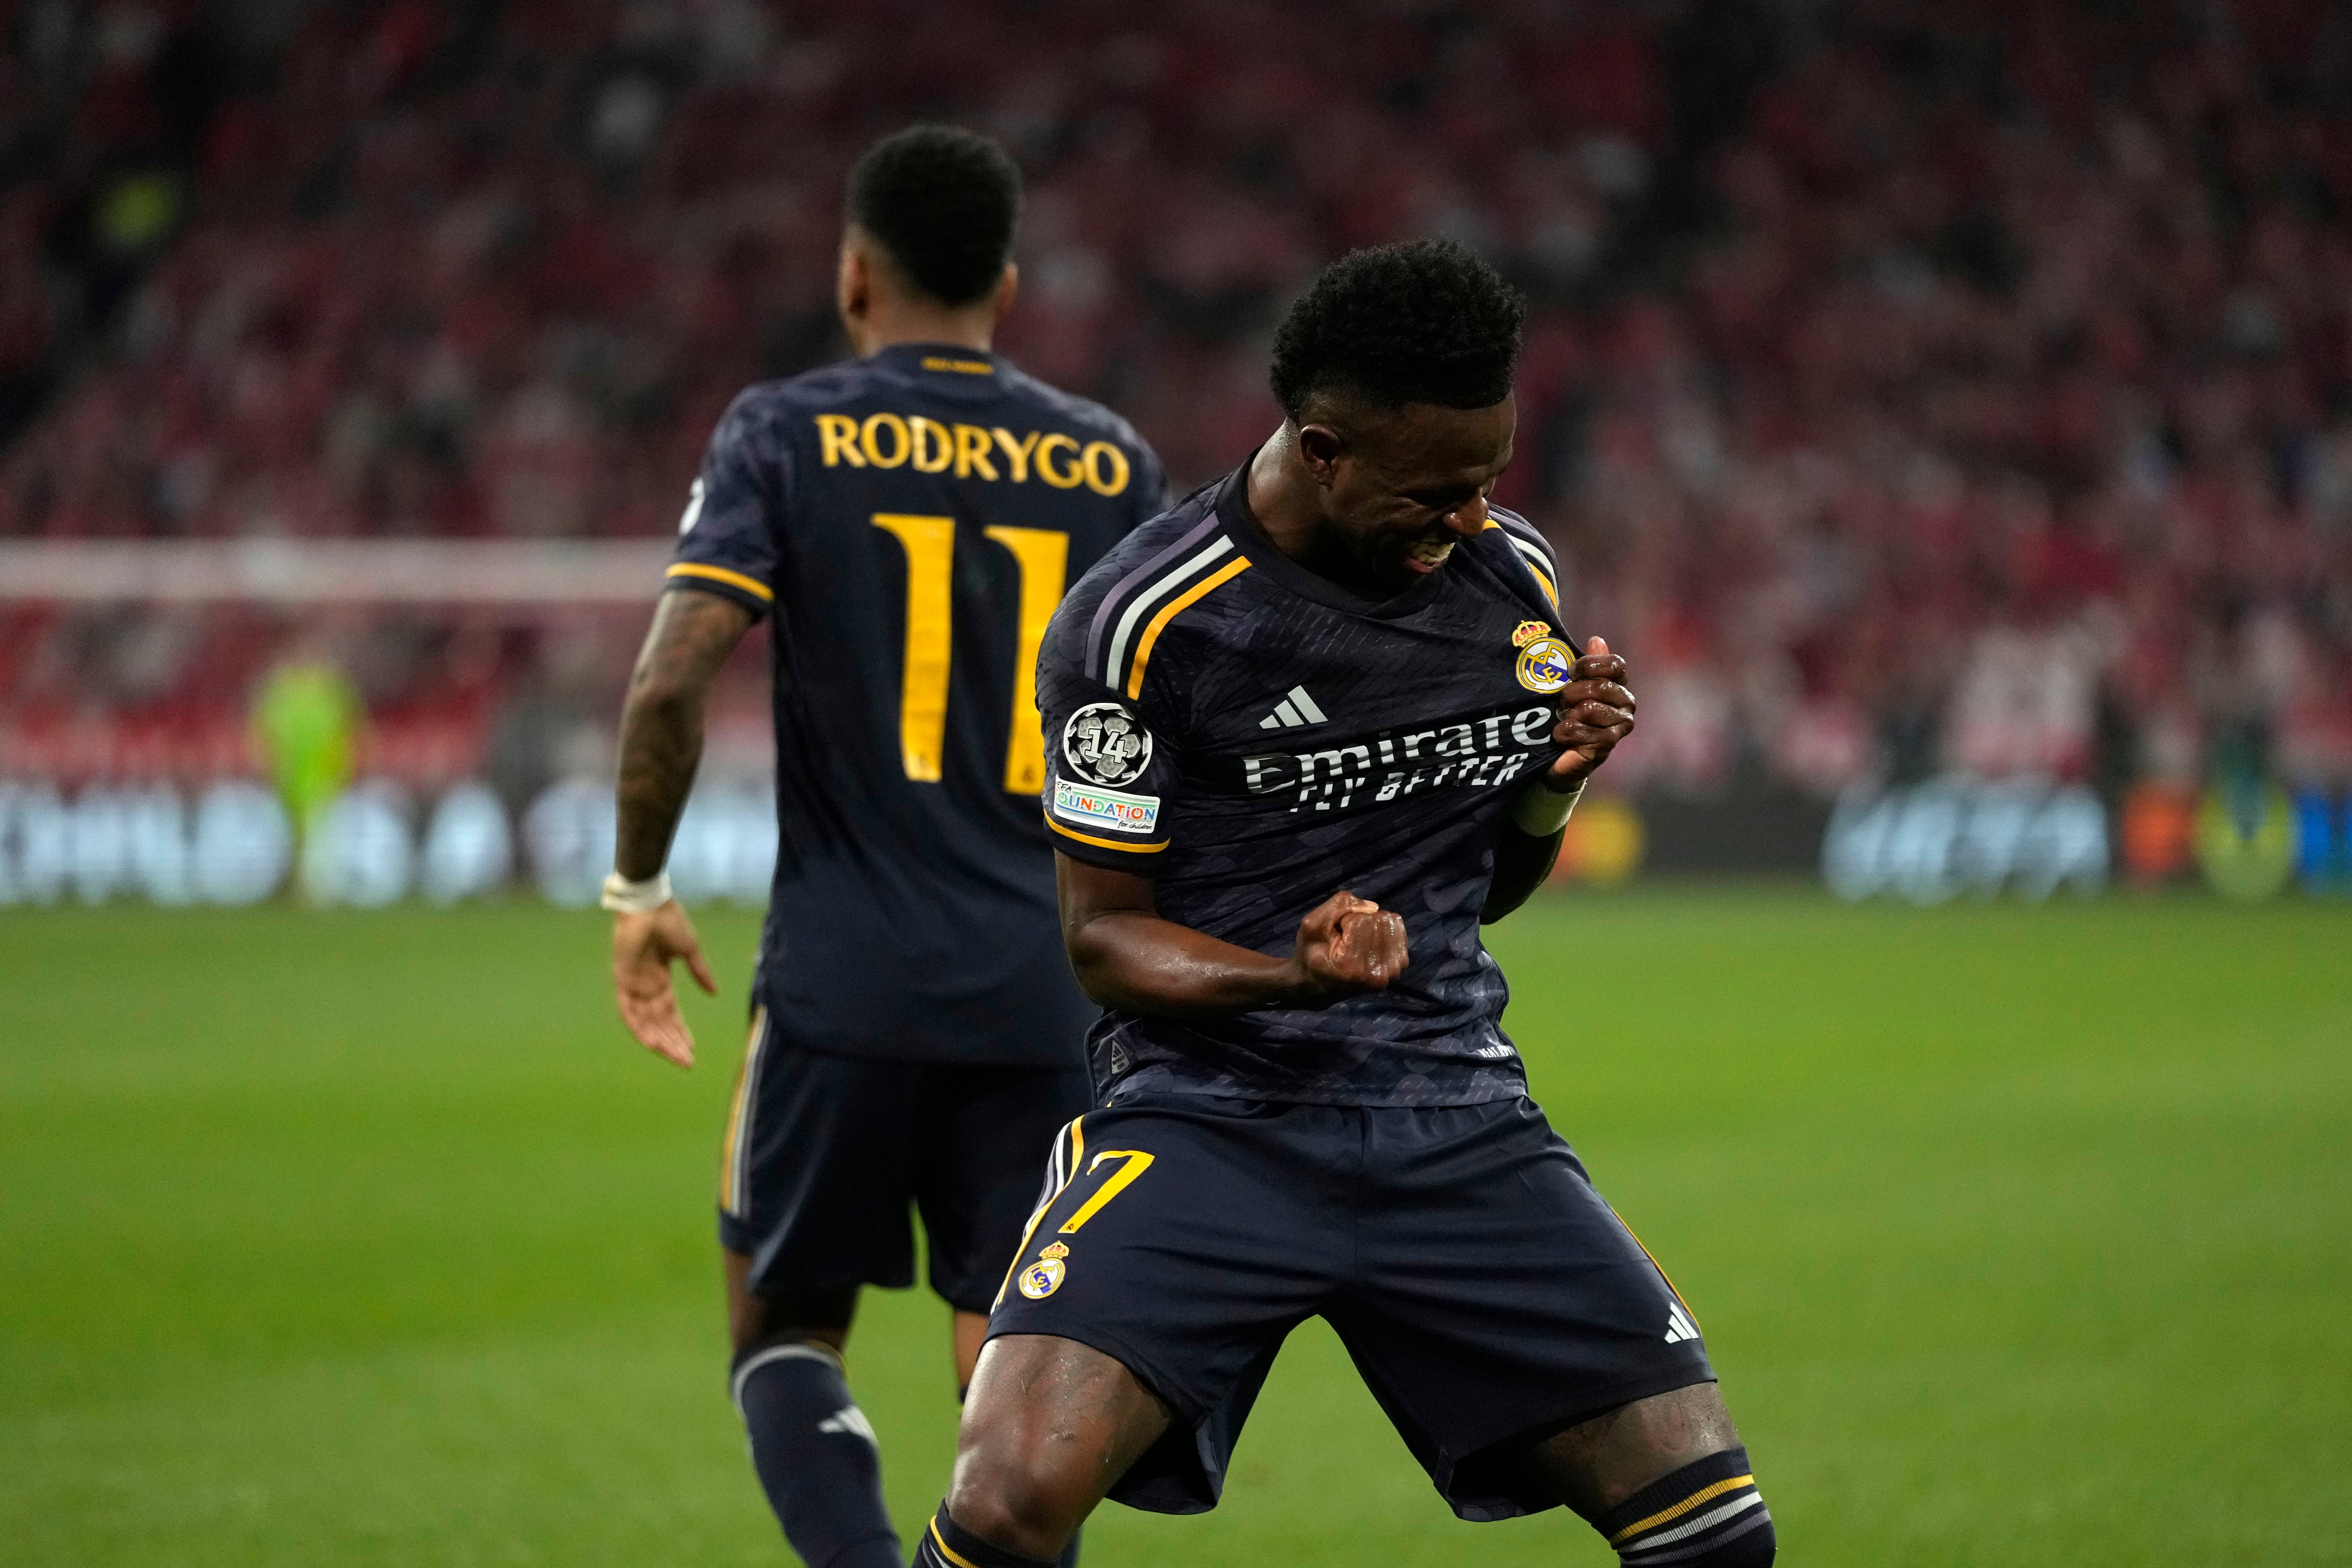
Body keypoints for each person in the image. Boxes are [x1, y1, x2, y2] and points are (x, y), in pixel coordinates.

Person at [912, 239, 1773, 1568]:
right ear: (1323, 451)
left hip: (1453, 1115)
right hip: (1208, 1122)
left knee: (1716, 1533)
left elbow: (1486, 887)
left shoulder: (1508, 582)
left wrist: (1550, 788)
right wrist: (1290, 977)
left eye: (1490, 481)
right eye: (1438, 492)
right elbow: (1101, 941)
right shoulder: (1144, 622)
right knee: (1008, 1496)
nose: (1472, 520)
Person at [601, 125, 1164, 1568]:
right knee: (1013, 1379)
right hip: (1048, 988)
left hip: (845, 981)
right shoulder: (1109, 463)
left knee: (784, 1324)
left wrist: (639, 885)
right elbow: (1162, 727)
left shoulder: (786, 431)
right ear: (1010, 284)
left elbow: (671, 679)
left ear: (855, 277)